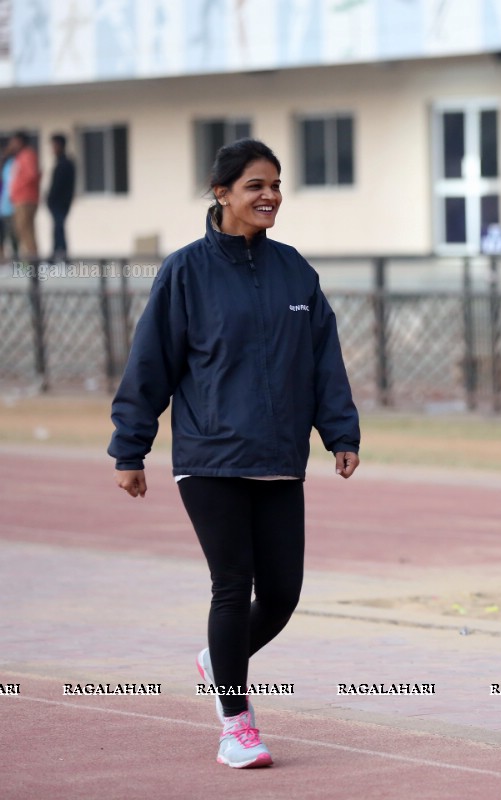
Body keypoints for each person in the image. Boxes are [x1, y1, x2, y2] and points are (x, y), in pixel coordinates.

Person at [108, 138, 361, 769]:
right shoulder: (185, 271)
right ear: (221, 193)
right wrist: (130, 448)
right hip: (210, 458)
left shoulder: (296, 271)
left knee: (281, 595)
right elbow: (151, 363)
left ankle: (219, 658)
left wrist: (341, 432)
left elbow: (323, 357)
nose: (270, 195)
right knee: (232, 585)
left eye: (275, 184)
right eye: (255, 185)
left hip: (279, 458)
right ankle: (236, 726)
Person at [7, 131, 40, 263]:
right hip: (20, 198)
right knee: (22, 230)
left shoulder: (27, 155)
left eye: (13, 142)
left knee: (25, 230)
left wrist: (17, 188)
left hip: (25, 199)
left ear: (20, 141)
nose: (11, 145)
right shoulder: (19, 157)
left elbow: (32, 175)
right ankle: (31, 260)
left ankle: (33, 261)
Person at [46, 132, 76, 260]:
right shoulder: (59, 162)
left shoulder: (66, 163)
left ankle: (61, 257)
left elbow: (63, 186)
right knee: (57, 229)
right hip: (56, 203)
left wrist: (53, 199)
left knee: (59, 229)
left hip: (61, 203)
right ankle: (58, 256)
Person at [1, 136, 23, 260]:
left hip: (12, 206)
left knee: (14, 235)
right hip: (3, 206)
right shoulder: (4, 167)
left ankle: (18, 261)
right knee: (3, 236)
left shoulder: (14, 163)